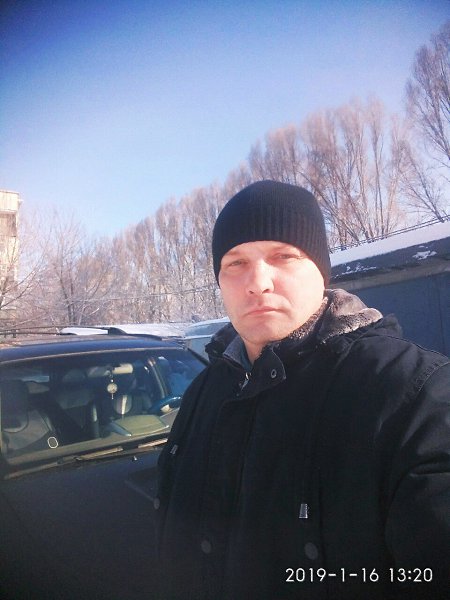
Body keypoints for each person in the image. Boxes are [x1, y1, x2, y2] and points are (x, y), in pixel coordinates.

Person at [154, 180, 450, 600]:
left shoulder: (413, 395)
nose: (258, 282)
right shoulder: (206, 390)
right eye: (236, 262)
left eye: (284, 256)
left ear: (321, 272)